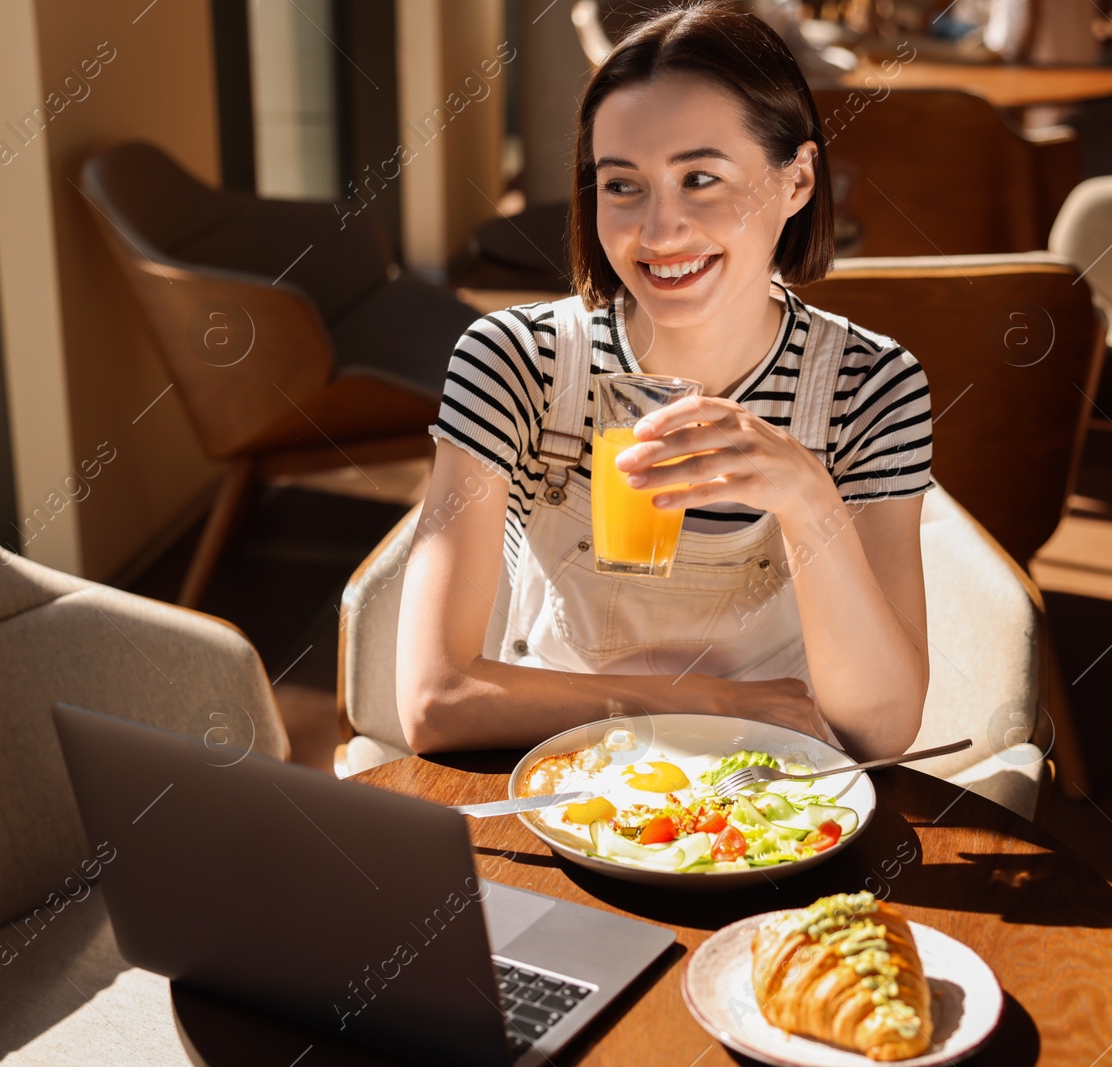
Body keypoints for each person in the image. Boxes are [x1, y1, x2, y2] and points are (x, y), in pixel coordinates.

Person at [395, 0, 933, 761]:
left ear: (798, 180)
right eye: (622, 186)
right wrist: (706, 701)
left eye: (701, 178)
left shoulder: (872, 386)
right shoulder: (516, 361)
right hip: (568, 786)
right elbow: (434, 700)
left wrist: (807, 497)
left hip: (768, 800)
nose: (656, 232)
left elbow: (879, 728)